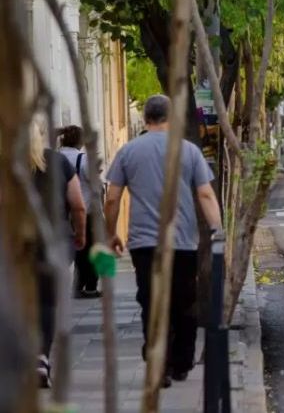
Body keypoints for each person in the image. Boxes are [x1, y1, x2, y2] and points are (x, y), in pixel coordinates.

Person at [104, 95, 223, 387]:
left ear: (146, 118)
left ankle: (158, 363)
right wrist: (217, 228)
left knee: (151, 301)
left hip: (144, 243)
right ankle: (181, 363)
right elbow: (205, 194)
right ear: (172, 118)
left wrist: (110, 233)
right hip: (182, 241)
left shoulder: (128, 151)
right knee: (184, 302)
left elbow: (112, 198)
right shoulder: (189, 151)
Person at [30, 118, 87, 388]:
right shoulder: (59, 162)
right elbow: (77, 205)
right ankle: (41, 358)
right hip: (55, 242)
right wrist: (80, 235)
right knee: (47, 301)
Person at [58, 125, 100, 298]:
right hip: (85, 210)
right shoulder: (83, 159)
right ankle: (89, 286)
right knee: (90, 249)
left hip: (62, 213)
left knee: (73, 251)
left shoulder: (55, 157)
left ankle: (76, 285)